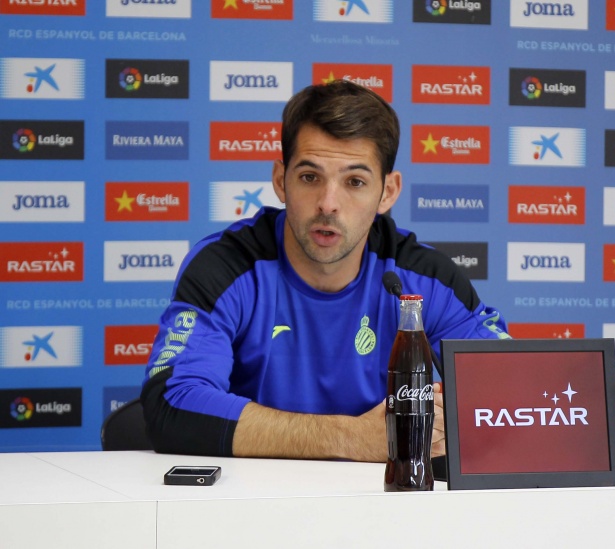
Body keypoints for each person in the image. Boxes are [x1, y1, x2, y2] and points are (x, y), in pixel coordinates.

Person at [141, 80, 510, 461]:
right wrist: (351, 438)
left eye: (355, 182)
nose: (328, 203)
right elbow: (173, 405)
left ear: (387, 192)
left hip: (384, 495)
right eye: (309, 177)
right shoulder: (227, 266)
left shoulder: (425, 278)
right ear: (280, 180)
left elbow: (516, 392)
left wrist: (460, 409)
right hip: (254, 490)